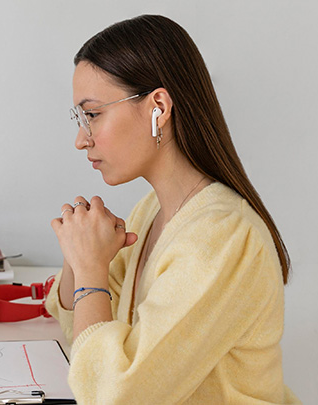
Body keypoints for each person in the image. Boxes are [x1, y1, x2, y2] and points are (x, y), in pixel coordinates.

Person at [46, 15, 299, 404]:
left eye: (92, 115)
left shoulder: (220, 238)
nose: (82, 139)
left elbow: (113, 393)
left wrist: (90, 267)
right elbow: (81, 333)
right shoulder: (155, 210)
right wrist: (79, 256)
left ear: (158, 107)